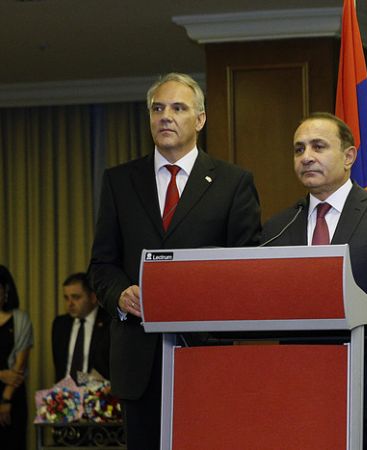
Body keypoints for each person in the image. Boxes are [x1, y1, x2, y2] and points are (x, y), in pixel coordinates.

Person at [88, 72, 261, 450]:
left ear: (200, 120)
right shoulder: (119, 181)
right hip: (138, 360)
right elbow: (101, 264)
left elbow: (248, 268)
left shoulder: (233, 182)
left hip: (206, 356)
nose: (165, 116)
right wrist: (120, 295)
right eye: (158, 108)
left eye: (178, 108)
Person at [261, 112, 367, 450]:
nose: (306, 157)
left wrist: (352, 308)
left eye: (318, 146)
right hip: (301, 392)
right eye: (299, 149)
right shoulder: (278, 226)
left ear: (349, 156)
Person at [52, 272, 110, 382]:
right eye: (66, 298)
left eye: (76, 297)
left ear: (93, 297)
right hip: (65, 390)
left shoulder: (109, 323)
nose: (70, 304)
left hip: (99, 388)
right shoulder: (60, 324)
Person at [0, 265, 33, 450]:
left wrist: (5, 400)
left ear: (5, 290)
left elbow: (19, 367)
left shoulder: (20, 319)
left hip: (13, 396)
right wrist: (1, 374)